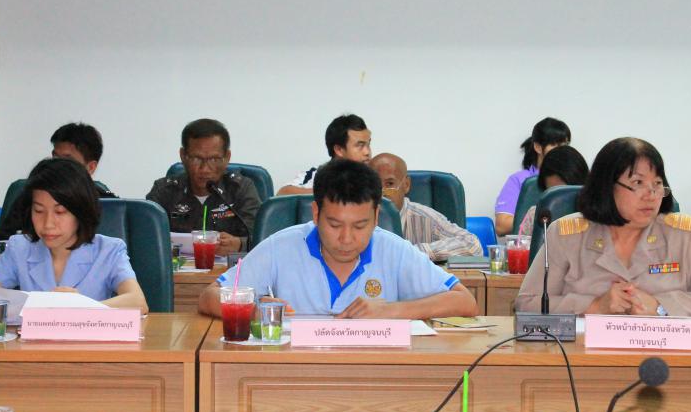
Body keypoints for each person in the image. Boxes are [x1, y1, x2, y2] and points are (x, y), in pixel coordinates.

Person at [198, 159, 477, 319]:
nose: (346, 238)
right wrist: (254, 310)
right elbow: (209, 296)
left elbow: (465, 302)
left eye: (360, 225)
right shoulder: (281, 246)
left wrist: (392, 311)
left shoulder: (394, 249)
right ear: (316, 213)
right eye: (334, 224)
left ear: (376, 217)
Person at [516, 137, 691, 317]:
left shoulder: (686, 235)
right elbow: (527, 303)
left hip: (665, 354)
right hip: (585, 354)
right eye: (638, 183)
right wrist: (593, 306)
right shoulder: (566, 235)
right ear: (607, 187)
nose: (651, 195)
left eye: (657, 184)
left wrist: (661, 306)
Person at [0, 158, 148, 313]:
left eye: (60, 212)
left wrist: (81, 307)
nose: (48, 223)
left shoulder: (109, 250)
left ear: (81, 211)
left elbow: (137, 302)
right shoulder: (20, 248)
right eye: (38, 210)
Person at [146, 118, 261, 254]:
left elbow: (262, 238)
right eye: (196, 159)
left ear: (227, 157)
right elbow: (145, 237)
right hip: (176, 266)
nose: (205, 169)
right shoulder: (164, 191)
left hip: (229, 267)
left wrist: (240, 244)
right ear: (183, 156)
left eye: (214, 159)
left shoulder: (241, 189)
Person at [0, 122, 117, 243]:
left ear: (90, 167)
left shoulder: (109, 206)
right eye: (55, 158)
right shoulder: (32, 196)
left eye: (67, 161)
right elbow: (2, 244)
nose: (58, 166)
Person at [370, 153, 481, 261]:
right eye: (375, 185)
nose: (382, 193)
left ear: (406, 185)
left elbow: (472, 244)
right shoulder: (362, 219)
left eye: (390, 184)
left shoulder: (425, 218)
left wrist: (411, 252)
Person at [494, 117, 571, 236]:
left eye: (565, 145)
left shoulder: (574, 177)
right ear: (538, 147)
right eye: (554, 145)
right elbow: (501, 226)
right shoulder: (519, 180)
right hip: (530, 245)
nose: (562, 151)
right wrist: (541, 216)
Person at [277, 114, 372, 195]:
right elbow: (283, 193)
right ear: (339, 150)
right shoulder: (315, 175)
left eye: (368, 144)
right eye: (360, 145)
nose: (367, 152)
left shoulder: (373, 176)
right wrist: (331, 193)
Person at [517, 145, 589, 236]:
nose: (559, 200)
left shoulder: (596, 216)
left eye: (563, 193)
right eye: (552, 192)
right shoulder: (537, 215)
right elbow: (522, 244)